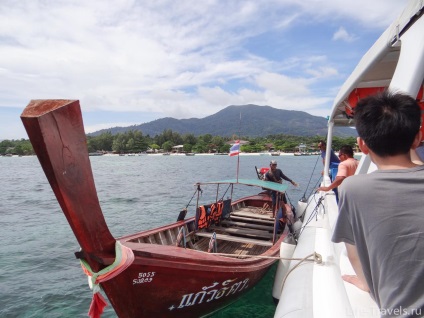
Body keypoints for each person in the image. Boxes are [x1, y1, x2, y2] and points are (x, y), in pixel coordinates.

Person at [332, 91, 424, 315]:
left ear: (362, 145)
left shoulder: (353, 189)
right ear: (418, 138)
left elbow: (352, 249)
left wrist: (365, 283)